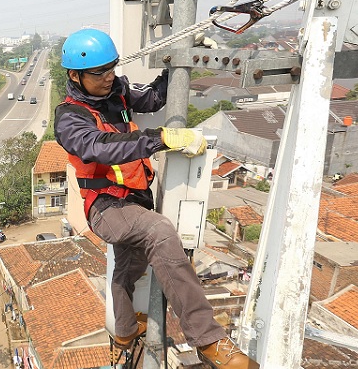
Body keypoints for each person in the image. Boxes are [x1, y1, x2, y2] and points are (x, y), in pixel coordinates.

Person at [54, 28, 258, 369]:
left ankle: (124, 330)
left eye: (112, 68)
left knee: (128, 268)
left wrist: (181, 62)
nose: (109, 77)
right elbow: (97, 146)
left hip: (133, 199)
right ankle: (207, 339)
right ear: (75, 75)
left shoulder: (115, 92)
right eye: (99, 72)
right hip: (105, 206)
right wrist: (160, 139)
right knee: (159, 232)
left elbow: (151, 98)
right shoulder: (70, 117)